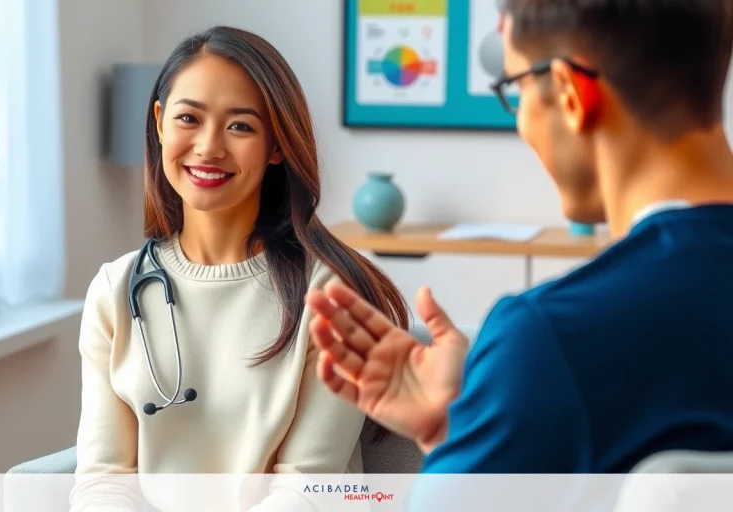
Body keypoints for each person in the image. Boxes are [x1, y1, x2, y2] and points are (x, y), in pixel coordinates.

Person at [306, 0, 733, 476]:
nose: (521, 120)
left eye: (516, 87)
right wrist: (473, 431)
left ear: (570, 93)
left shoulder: (548, 339)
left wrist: (471, 430)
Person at [70, 25, 408, 512]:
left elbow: (307, 491)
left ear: (277, 145)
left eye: (241, 126)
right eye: (189, 118)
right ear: (160, 123)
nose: (209, 147)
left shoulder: (334, 296)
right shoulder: (113, 291)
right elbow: (104, 481)